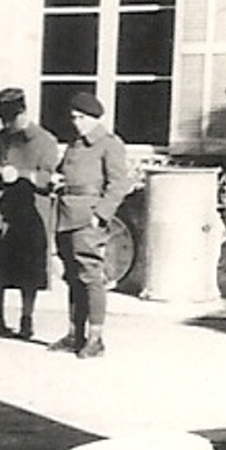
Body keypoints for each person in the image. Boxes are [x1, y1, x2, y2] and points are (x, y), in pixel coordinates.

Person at [0, 87, 60, 339]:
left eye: (11, 118)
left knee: (28, 266)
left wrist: (20, 174)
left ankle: (26, 319)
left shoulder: (45, 141)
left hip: (28, 211)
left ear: (24, 112)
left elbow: (47, 178)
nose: (7, 124)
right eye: (3, 119)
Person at [51, 91, 132, 359]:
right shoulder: (76, 144)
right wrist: (57, 180)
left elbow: (119, 183)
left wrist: (101, 213)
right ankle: (75, 334)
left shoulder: (109, 144)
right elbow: (66, 172)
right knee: (73, 275)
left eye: (82, 118)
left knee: (90, 275)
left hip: (88, 217)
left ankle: (95, 339)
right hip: (65, 214)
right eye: (74, 117)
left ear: (95, 118)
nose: (76, 122)